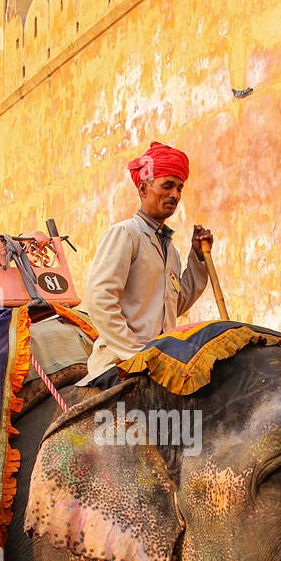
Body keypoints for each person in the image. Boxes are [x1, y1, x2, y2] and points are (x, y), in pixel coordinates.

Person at [80, 141, 213, 384]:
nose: (175, 195)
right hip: (118, 364)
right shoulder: (125, 234)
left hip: (160, 364)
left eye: (180, 188)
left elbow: (175, 305)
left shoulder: (170, 250)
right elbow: (99, 299)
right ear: (143, 189)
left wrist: (197, 259)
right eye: (168, 186)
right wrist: (135, 355)